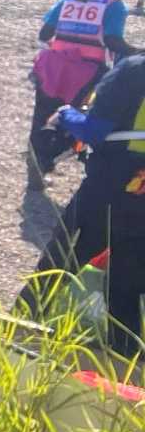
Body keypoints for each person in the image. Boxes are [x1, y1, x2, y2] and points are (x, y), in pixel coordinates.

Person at [21, 51, 145, 355]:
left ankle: (15, 331)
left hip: (110, 189)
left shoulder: (133, 70)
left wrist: (65, 114)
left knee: (59, 265)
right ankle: (125, 360)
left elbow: (94, 131)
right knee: (126, 286)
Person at [28, 0, 137, 187]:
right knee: (77, 116)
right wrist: (137, 52)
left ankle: (35, 167)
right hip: (87, 72)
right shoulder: (113, 5)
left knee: (41, 117)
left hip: (51, 67)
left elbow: (45, 34)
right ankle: (52, 158)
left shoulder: (67, 0)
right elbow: (112, 41)